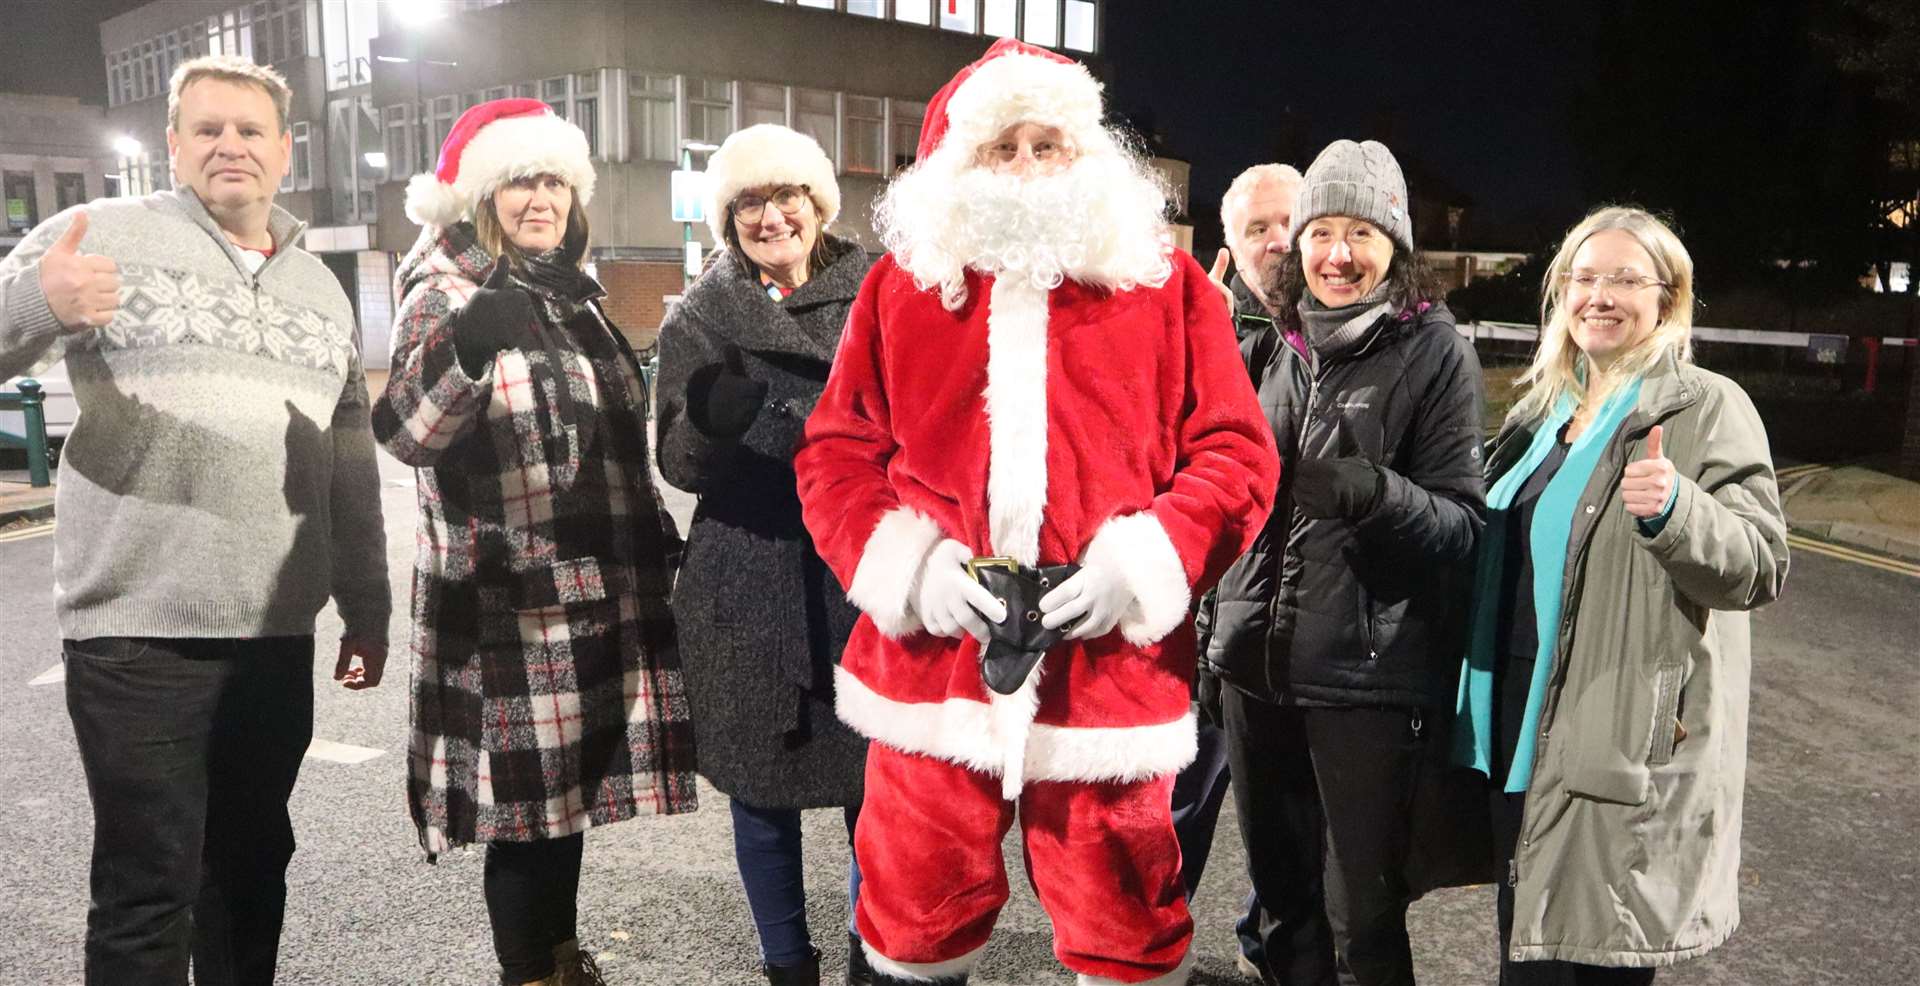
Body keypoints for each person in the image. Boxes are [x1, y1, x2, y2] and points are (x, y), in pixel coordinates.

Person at [794, 38, 1278, 986]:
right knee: (911, 913)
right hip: (934, 666)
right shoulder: (897, 290)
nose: (1023, 167)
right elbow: (837, 454)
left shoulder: (1170, 289)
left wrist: (1141, 565)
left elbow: (1235, 453)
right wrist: (916, 572)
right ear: (956, 166)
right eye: (1000, 147)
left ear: (1086, 157)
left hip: (1109, 671)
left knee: (1125, 915)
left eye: (1045, 145)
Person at [0, 54, 389, 986]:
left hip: (272, 629)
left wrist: (366, 597)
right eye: (207, 128)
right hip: (137, 631)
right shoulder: (99, 233)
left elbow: (346, 459)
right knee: (147, 890)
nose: (230, 146)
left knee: (252, 873)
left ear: (284, 149)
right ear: (173, 144)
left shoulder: (319, 289)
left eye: (250, 130)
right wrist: (36, 305)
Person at [371, 99, 697, 986]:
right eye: (520, 180)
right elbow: (404, 431)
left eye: (554, 178)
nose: (540, 196)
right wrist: (465, 349)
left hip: (591, 595)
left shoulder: (570, 294)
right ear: (480, 197)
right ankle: (532, 971)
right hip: (509, 605)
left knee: (564, 808)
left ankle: (559, 959)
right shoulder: (445, 291)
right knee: (525, 817)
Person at [1453, 206, 1787, 984]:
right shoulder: (1546, 408)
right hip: (1518, 716)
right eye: (1584, 276)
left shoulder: (1705, 407)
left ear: (1667, 298)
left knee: (1592, 959)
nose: (1599, 296)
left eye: (1625, 280)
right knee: (1528, 949)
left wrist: (1677, 508)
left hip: (1615, 728)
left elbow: (1760, 563)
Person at [1216, 139, 1486, 986]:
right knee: (1281, 903)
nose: (1338, 254)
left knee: (1360, 920)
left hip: (1363, 682)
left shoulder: (1435, 350)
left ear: (1395, 249)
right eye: (1321, 231)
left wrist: (1375, 494)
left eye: (1361, 235)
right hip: (1254, 670)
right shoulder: (1279, 342)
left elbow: (1463, 527)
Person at [653, 124, 875, 986]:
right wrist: (710, 422)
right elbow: (676, 462)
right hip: (745, 575)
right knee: (761, 790)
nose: (770, 216)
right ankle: (788, 963)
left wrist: (777, 424)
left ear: (818, 203)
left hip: (860, 567)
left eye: (786, 196)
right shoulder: (703, 315)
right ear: (728, 217)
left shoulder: (880, 293)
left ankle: (874, 952)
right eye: (748, 201)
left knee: (875, 787)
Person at [1185, 161, 1304, 977]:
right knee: (1173, 814)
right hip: (1199, 627)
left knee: (1289, 829)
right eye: (1256, 228)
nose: (1276, 241)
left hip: (1293, 632)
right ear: (1229, 243)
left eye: (1287, 222)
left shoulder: (1346, 331)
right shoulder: (1205, 328)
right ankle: (1135, 955)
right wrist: (1198, 332)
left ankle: (1269, 948)